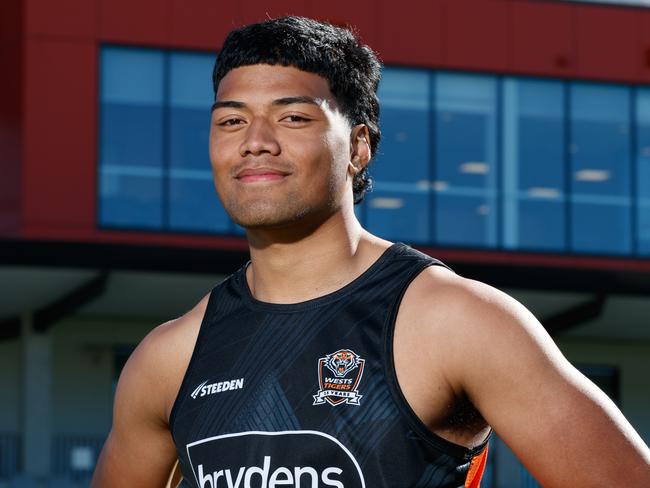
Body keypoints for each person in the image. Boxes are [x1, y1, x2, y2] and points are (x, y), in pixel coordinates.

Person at [92, 16, 650, 488]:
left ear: (359, 145)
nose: (254, 140)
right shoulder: (168, 358)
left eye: (293, 117)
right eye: (231, 120)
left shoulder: (456, 321)